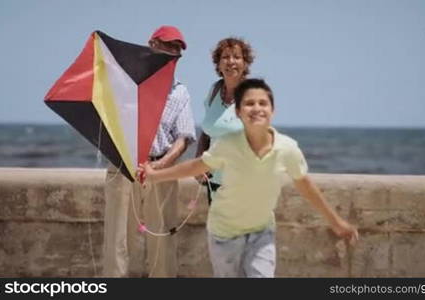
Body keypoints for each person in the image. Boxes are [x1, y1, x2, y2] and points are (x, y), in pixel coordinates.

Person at [139, 78, 359, 277]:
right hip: (224, 233)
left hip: (261, 233)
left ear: (273, 110)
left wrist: (337, 222)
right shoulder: (228, 144)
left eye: (263, 103)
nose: (256, 108)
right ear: (238, 112)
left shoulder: (287, 149)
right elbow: (195, 166)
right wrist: (154, 175)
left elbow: (306, 186)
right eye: (249, 103)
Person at [102, 25, 196, 278]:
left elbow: (185, 136)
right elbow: (107, 119)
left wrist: (161, 165)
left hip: (161, 171)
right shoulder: (125, 81)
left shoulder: (180, 91)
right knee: (117, 238)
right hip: (123, 166)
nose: (173, 52)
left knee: (162, 236)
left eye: (177, 48)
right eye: (168, 45)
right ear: (152, 44)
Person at [194, 37, 254, 203]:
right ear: (218, 64)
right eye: (225, 57)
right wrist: (199, 161)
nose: (231, 62)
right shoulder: (214, 90)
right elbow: (207, 133)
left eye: (236, 57)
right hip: (215, 184)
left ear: (245, 63)